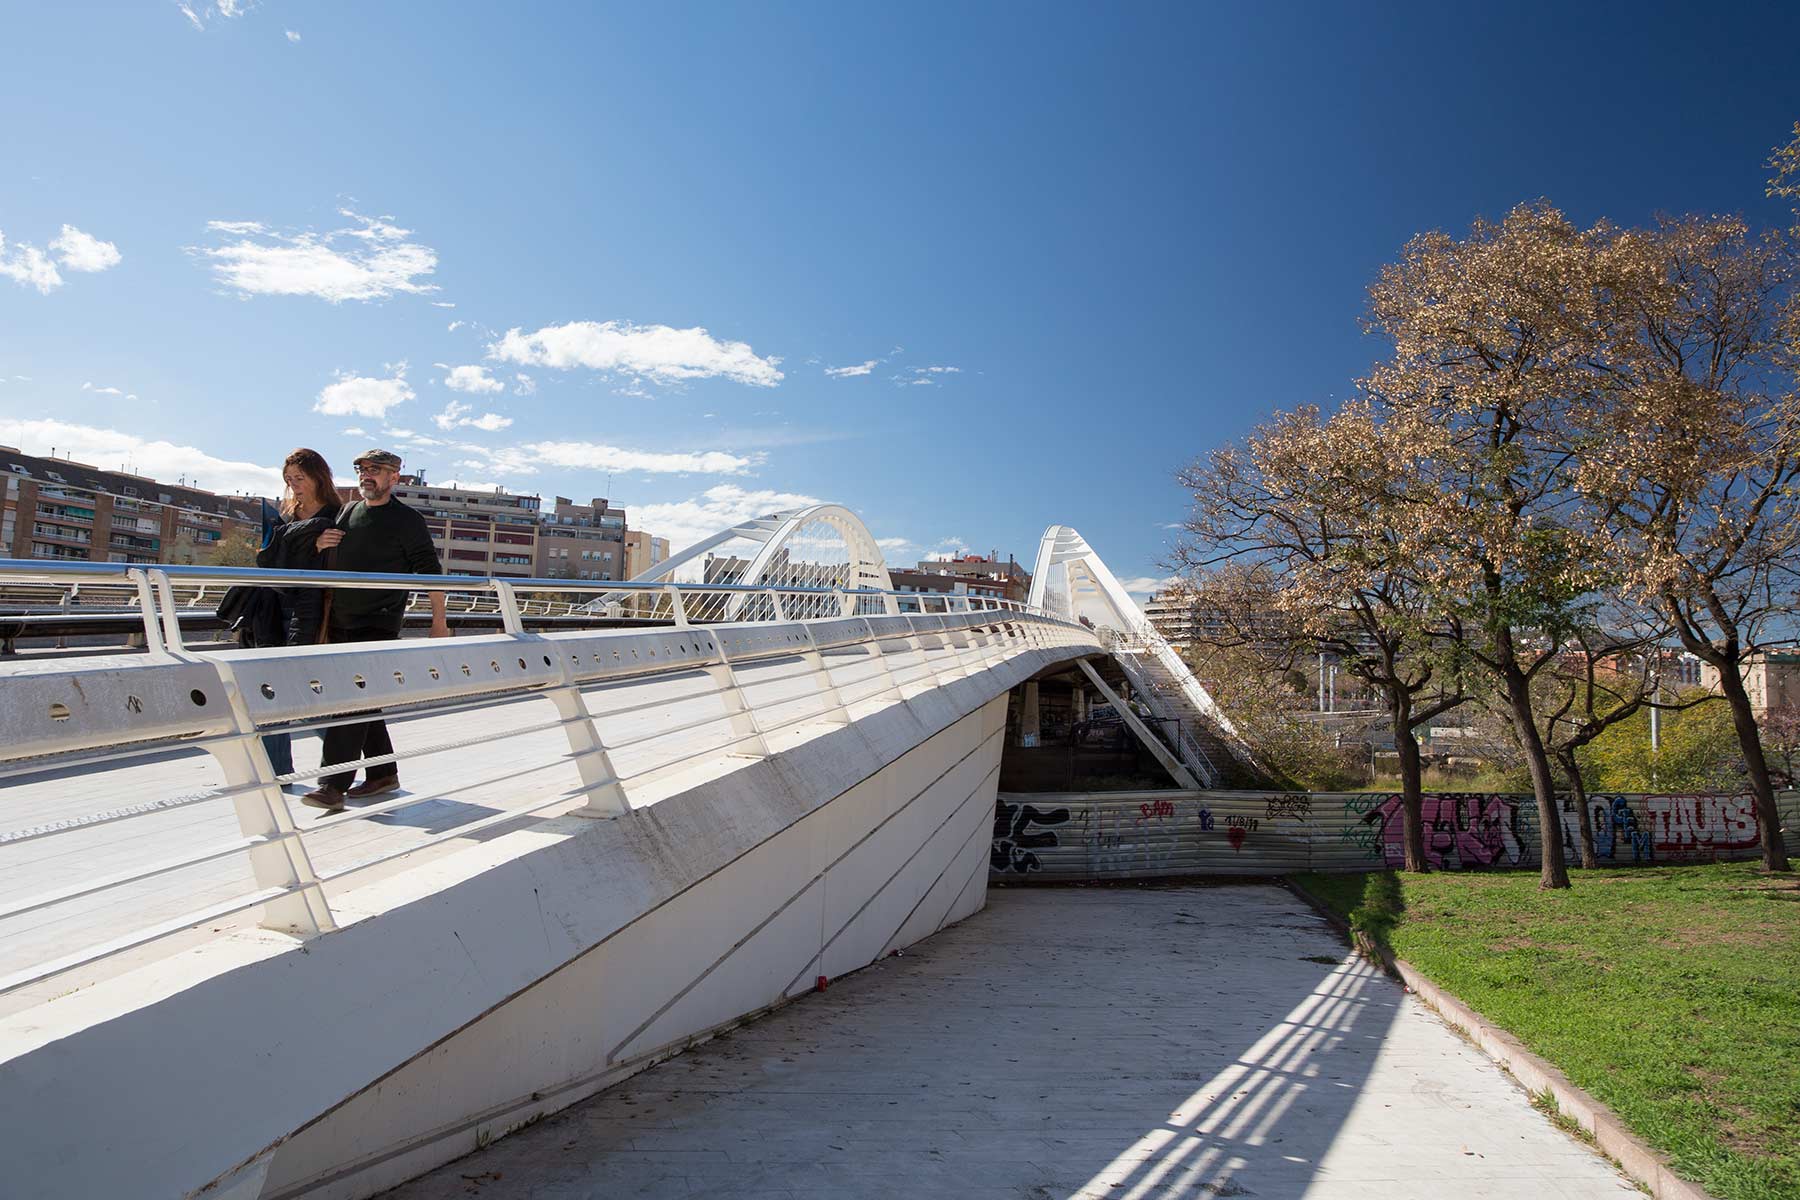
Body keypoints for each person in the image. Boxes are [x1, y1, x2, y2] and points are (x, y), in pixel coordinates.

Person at [301, 448, 450, 812]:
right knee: (363, 702)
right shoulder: (349, 511)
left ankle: (332, 785)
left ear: (394, 477)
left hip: (377, 623)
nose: (367, 475)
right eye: (362, 469)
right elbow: (328, 553)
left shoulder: (407, 520)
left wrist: (439, 622)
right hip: (339, 620)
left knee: (350, 703)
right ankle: (383, 773)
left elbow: (429, 571)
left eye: (376, 470)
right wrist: (320, 544)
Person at [247, 448, 341, 781]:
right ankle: (279, 775)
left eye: (299, 478)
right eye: (289, 480)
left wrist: (314, 550)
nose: (294, 486)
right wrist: (309, 546)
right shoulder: (285, 515)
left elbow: (336, 568)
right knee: (271, 695)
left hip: (315, 612)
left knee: (305, 696)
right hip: (274, 609)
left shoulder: (338, 514)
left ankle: (344, 759)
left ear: (318, 476)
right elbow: (269, 562)